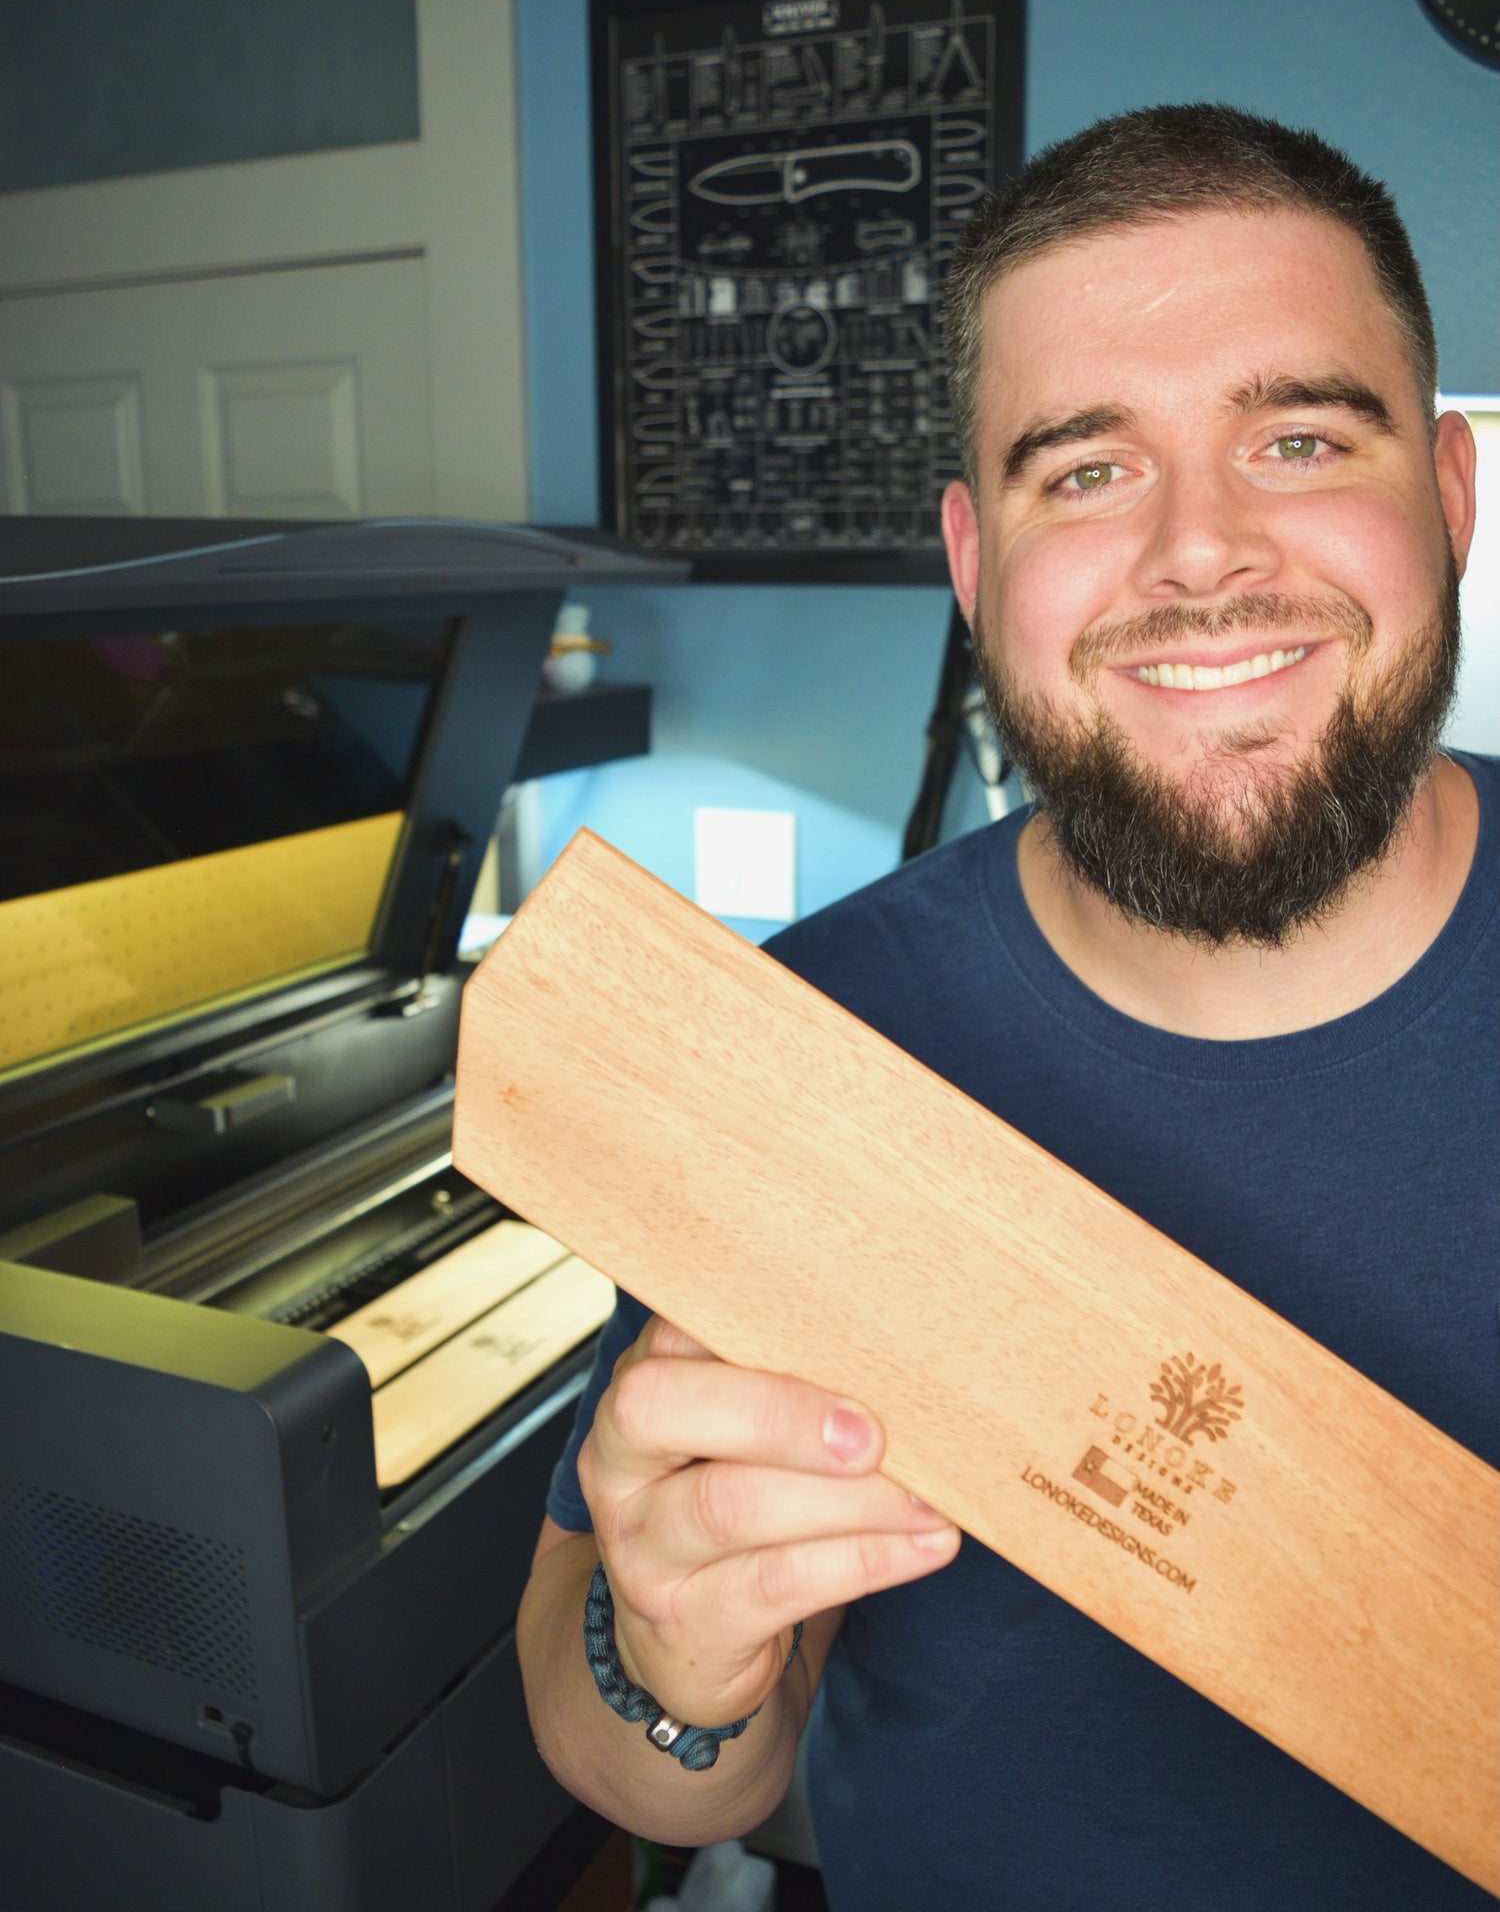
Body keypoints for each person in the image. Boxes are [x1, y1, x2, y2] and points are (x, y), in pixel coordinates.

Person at [516, 104, 1496, 1909]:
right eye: (1089, 471)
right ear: (975, 566)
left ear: (1446, 496)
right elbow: (632, 1763)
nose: (1201, 555)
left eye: (1295, 437)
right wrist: (669, 1677)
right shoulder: (803, 1047)